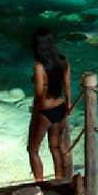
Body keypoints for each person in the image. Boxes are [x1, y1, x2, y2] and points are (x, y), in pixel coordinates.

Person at [28, 27, 71, 182]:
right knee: (55, 148)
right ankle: (59, 180)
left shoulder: (39, 67)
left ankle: (40, 184)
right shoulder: (63, 60)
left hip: (45, 111)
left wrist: (34, 116)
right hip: (60, 108)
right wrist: (69, 106)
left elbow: (39, 96)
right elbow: (67, 86)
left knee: (32, 150)